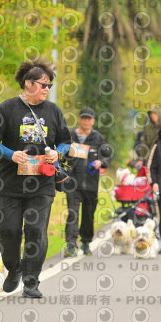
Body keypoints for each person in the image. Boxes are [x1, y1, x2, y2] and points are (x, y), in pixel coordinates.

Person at [0, 60, 72, 298]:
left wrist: (58, 153)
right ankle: (14, 269)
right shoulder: (7, 108)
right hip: (8, 184)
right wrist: (11, 154)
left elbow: (65, 142)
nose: (47, 89)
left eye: (50, 85)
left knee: (36, 231)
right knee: (9, 231)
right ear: (28, 83)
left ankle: (31, 282)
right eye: (43, 84)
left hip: (42, 184)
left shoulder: (53, 111)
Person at [63, 107, 111, 258]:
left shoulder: (98, 138)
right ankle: (71, 245)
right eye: (83, 118)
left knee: (88, 216)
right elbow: (61, 156)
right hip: (73, 184)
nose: (86, 121)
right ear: (79, 119)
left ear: (93, 121)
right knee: (73, 214)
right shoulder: (70, 136)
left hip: (91, 184)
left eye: (88, 119)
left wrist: (101, 162)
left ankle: (86, 242)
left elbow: (107, 155)